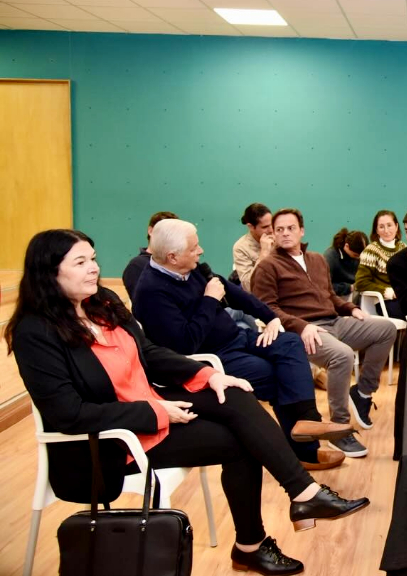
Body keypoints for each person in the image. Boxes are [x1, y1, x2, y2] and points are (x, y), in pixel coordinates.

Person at [6, 229, 370, 575]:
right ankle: (254, 542)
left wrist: (208, 375)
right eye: (81, 262)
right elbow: (68, 414)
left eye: (93, 258)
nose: (95, 268)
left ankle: (302, 493)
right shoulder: (35, 332)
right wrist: (155, 411)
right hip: (107, 442)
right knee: (241, 443)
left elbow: (148, 353)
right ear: (49, 273)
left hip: (146, 403)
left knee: (234, 393)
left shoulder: (103, 303)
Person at [132, 219, 357, 464]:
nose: (201, 251)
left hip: (237, 337)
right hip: (213, 357)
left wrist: (271, 318)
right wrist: (210, 300)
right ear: (173, 257)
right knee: (275, 374)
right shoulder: (151, 292)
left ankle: (308, 421)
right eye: (194, 248)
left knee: (290, 342)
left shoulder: (192, 268)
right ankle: (304, 452)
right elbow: (185, 344)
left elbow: (236, 294)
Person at [252, 209, 396, 457]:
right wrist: (302, 326)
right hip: (303, 330)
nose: (285, 233)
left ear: (301, 231)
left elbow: (329, 296)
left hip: (334, 321)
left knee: (386, 329)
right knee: (342, 355)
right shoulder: (268, 266)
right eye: (279, 230)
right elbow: (267, 309)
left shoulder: (317, 259)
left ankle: (362, 392)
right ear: (273, 234)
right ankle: (339, 429)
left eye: (290, 228)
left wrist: (351, 309)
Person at [354, 210, 406, 318]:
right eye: (381, 227)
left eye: (389, 225)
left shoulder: (404, 248)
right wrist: (386, 291)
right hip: (385, 301)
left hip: (405, 297)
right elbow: (361, 283)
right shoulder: (371, 251)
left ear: (396, 226)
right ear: (376, 230)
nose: (386, 230)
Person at [122, 210, 177, 300]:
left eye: (174, 233)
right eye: (164, 232)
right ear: (150, 231)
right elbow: (145, 302)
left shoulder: (177, 263)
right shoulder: (137, 265)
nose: (169, 237)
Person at [233, 203, 274, 292]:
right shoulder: (241, 247)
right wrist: (263, 254)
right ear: (251, 227)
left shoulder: (280, 236)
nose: (271, 230)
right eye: (265, 227)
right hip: (263, 294)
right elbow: (248, 287)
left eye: (272, 224)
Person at [325, 228, 368, 299]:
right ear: (347, 246)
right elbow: (324, 286)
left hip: (355, 294)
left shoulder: (360, 256)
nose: (358, 259)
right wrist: (349, 288)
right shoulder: (330, 257)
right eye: (356, 255)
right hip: (336, 297)